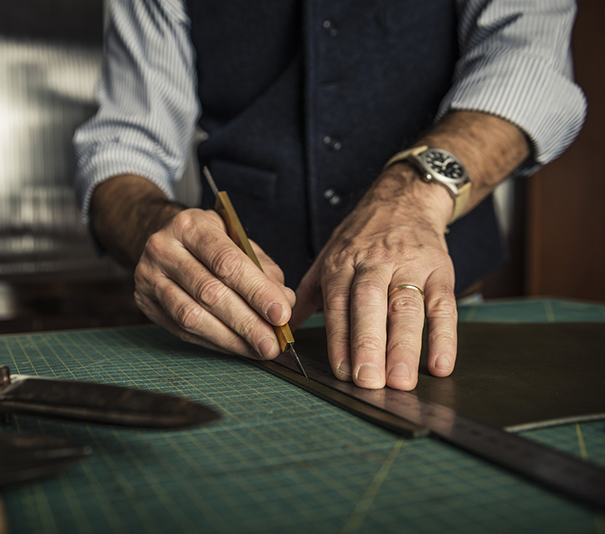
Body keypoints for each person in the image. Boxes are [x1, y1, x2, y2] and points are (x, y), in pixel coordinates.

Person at [73, 0, 586, 391]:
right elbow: (124, 144)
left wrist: (409, 199)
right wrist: (154, 231)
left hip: (438, 310)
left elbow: (530, 63)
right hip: (230, 335)